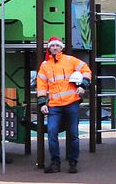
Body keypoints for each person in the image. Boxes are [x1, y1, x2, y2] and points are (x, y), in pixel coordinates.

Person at [37, 37, 91, 174]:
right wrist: (42, 103)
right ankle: (55, 162)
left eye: (57, 45)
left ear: (61, 47)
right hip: (54, 105)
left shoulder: (70, 60)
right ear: (49, 48)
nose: (55, 47)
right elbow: (42, 85)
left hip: (71, 102)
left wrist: (83, 85)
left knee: (73, 134)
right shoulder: (45, 65)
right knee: (51, 132)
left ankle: (73, 162)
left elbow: (87, 70)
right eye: (52, 46)